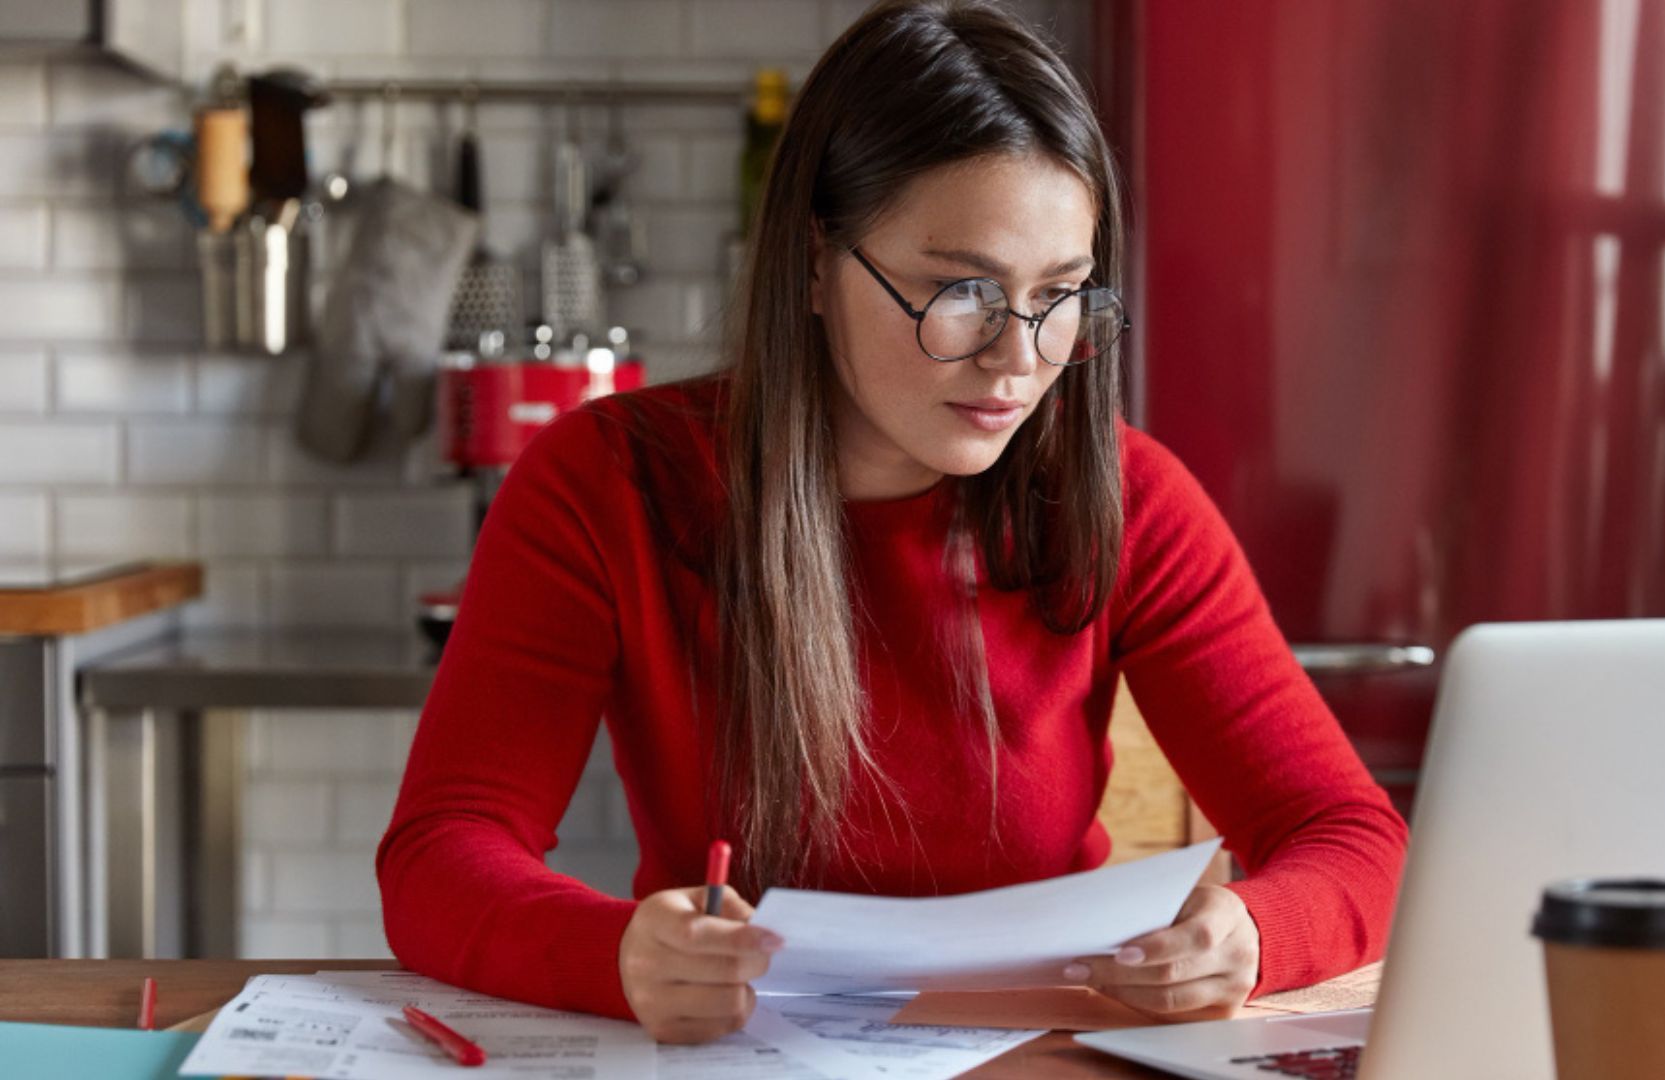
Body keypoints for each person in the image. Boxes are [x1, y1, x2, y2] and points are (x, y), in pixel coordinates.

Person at [376, 0, 1407, 1047]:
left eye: (1060, 294)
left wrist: (1254, 934)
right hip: (737, 1060)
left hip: (1041, 1055)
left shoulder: (1131, 499)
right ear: (817, 263)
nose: (1019, 358)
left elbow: (1355, 837)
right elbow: (440, 854)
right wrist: (618, 954)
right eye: (962, 289)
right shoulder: (603, 484)